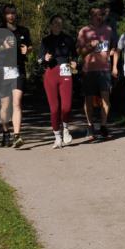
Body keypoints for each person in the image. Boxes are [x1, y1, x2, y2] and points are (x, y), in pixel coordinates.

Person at [38, 14, 78, 148]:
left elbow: (75, 55)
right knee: (54, 108)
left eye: (60, 23)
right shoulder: (45, 41)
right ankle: (57, 137)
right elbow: (39, 60)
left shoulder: (68, 39)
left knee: (66, 106)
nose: (57, 25)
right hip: (50, 73)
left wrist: (74, 62)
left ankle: (65, 129)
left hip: (65, 71)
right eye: (55, 23)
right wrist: (45, 58)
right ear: (51, 25)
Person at [77, 6, 115, 142]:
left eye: (100, 14)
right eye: (95, 15)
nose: (98, 17)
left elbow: (113, 48)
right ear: (90, 16)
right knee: (88, 99)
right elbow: (79, 52)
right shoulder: (84, 31)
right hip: (89, 70)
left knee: (106, 98)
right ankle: (90, 126)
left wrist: (114, 63)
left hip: (104, 69)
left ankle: (103, 126)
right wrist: (90, 46)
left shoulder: (108, 30)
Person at [0, 4, 32, 149]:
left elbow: (29, 47)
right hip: (3, 70)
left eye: (13, 13)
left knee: (17, 103)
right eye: (8, 13)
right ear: (4, 15)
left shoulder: (24, 31)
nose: (11, 15)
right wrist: (2, 47)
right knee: (5, 106)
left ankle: (17, 136)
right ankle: (6, 132)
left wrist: (28, 49)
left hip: (18, 69)